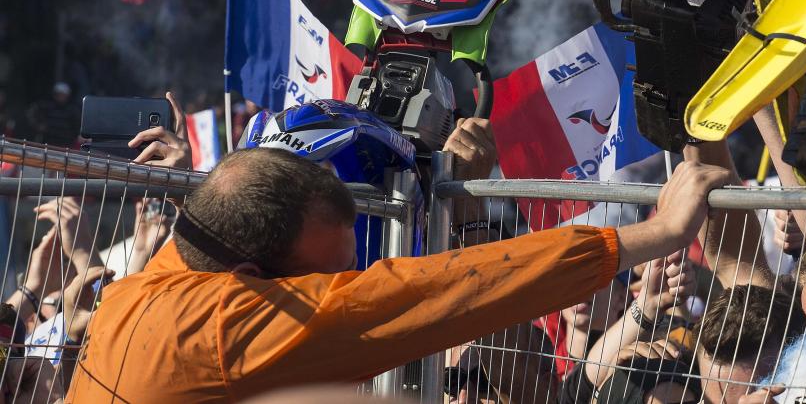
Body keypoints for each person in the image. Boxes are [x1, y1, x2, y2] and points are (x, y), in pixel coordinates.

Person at [68, 118, 731, 403]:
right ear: (251, 279)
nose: (344, 288)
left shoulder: (140, 288)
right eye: (327, 280)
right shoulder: (222, 329)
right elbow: (443, 290)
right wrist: (659, 233)